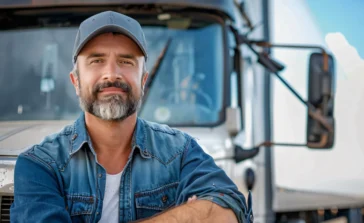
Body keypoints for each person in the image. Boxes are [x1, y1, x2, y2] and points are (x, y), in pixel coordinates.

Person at [10, 11, 253, 223]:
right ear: (76, 81)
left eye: (126, 61)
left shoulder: (181, 152)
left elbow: (227, 211)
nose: (111, 74)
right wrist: (186, 216)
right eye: (97, 60)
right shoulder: (39, 165)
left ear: (143, 80)